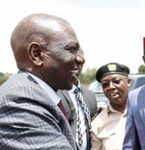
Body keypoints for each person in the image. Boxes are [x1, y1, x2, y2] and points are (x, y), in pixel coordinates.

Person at [0, 13, 83, 149]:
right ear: (36, 54)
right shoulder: (19, 101)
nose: (80, 59)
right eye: (71, 49)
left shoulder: (38, 96)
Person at [57, 50, 97, 150]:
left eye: (79, 61)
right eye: (70, 61)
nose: (75, 64)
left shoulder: (90, 95)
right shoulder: (54, 92)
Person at [91, 62, 131, 150]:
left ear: (128, 82)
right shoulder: (97, 124)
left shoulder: (144, 111)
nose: (111, 87)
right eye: (105, 84)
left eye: (116, 81)